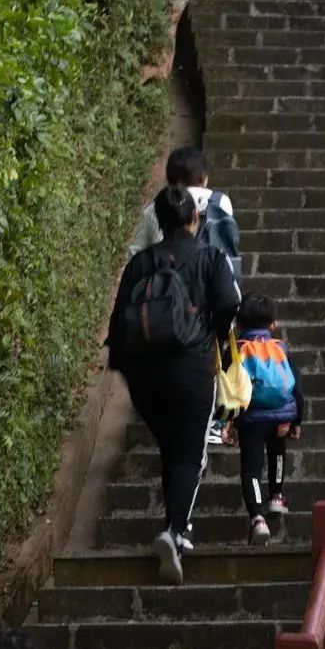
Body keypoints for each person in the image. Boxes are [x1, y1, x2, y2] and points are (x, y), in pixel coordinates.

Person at [108, 184, 241, 584]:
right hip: (191, 369)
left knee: (172, 449)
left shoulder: (140, 263)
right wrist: (215, 333)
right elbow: (230, 302)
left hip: (145, 377)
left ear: (160, 222)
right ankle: (175, 531)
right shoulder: (210, 256)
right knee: (188, 455)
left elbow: (118, 324)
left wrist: (128, 370)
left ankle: (176, 528)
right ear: (194, 217)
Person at [226, 295, 304, 547]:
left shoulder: (236, 349)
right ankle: (277, 495)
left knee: (251, 469)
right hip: (281, 416)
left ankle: (257, 517)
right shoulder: (281, 348)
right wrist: (297, 420)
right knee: (277, 452)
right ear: (273, 325)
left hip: (250, 419)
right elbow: (297, 388)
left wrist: (226, 423)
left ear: (239, 324)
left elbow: (226, 390)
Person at [128, 145, 241, 282]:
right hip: (209, 281)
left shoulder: (154, 207)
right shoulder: (221, 202)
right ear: (203, 177)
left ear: (169, 179)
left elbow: (134, 253)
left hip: (165, 285)